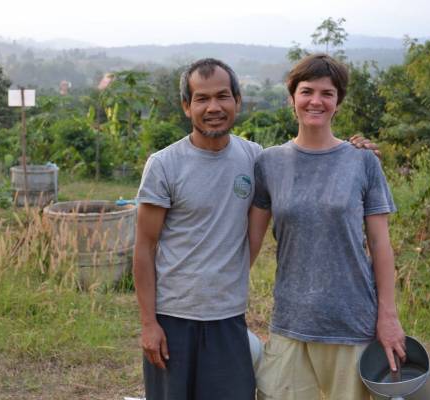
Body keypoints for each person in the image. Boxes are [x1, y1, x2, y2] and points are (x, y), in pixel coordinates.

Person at [134, 57, 378, 400]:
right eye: (202, 99)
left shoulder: (257, 159)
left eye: (222, 96)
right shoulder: (164, 165)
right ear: (186, 107)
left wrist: (354, 152)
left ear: (238, 101)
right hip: (173, 317)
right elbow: (144, 247)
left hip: (229, 316)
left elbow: (306, 159)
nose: (213, 107)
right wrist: (148, 324)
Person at [248, 53, 405, 400]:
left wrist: (388, 317)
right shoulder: (269, 163)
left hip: (350, 322)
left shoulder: (362, 162)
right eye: (306, 91)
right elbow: (250, 245)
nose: (315, 101)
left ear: (338, 103)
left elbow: (381, 245)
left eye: (327, 93)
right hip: (290, 320)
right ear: (292, 98)